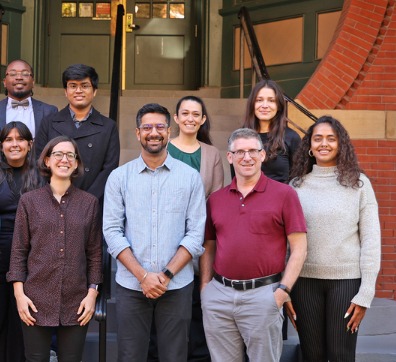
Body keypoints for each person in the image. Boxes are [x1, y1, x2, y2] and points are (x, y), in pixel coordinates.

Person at [104, 103, 206, 362]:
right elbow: (112, 232)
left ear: (169, 132)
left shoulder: (190, 177)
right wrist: (143, 276)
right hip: (131, 285)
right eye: (147, 127)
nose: (154, 132)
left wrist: (166, 275)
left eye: (160, 126)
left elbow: (195, 234)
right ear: (138, 133)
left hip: (177, 285)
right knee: (130, 356)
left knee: (175, 356)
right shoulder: (119, 178)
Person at [200, 128, 307, 362]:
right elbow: (208, 246)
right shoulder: (215, 200)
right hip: (219, 296)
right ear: (230, 157)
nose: (246, 157)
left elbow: (299, 248)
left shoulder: (285, 194)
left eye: (252, 151)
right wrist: (205, 287)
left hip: (263, 295)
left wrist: (282, 292)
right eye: (239, 152)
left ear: (262, 155)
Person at [288, 116, 381, 362]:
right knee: (312, 355)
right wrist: (285, 287)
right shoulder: (295, 186)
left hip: (346, 282)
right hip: (304, 282)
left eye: (331, 138)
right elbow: (284, 242)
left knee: (341, 355)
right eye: (317, 138)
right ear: (309, 145)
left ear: (341, 144)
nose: (324, 144)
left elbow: (371, 241)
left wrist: (366, 294)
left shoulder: (359, 185)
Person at [7, 135, 102, 362]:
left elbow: (95, 252)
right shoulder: (29, 201)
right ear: (47, 161)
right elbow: (19, 250)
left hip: (77, 300)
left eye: (71, 155)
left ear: (77, 163)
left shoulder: (89, 203)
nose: (64, 159)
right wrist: (19, 295)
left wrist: (92, 294)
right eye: (58, 154)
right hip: (35, 299)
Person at [150, 96, 223, 362]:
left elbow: (214, 200)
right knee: (160, 304)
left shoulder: (212, 154)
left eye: (196, 114)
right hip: (162, 236)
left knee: (193, 304)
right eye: (185, 113)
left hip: (198, 236)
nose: (190, 118)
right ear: (176, 119)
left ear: (203, 119)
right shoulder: (162, 146)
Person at [0, 122, 45, 362]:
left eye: (21, 139)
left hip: (30, 261)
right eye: (9, 139)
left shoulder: (42, 177)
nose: (15, 144)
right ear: (1, 145)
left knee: (22, 321)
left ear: (30, 144)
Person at [34, 63, 120, 203]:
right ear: (66, 91)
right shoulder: (49, 122)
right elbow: (39, 162)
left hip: (92, 205)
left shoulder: (108, 127)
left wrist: (87, 201)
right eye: (73, 86)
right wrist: (53, 196)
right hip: (52, 202)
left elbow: (109, 169)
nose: (78, 90)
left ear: (94, 91)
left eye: (85, 86)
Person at [0, 59, 58, 155]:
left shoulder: (49, 111)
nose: (19, 77)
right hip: (0, 169)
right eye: (13, 74)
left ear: (33, 82)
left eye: (25, 74)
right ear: (4, 82)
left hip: (38, 169)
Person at [234, 79, 301, 184]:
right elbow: (235, 180)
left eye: (271, 100)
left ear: (278, 106)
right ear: (252, 104)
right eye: (259, 100)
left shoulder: (291, 137)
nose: (265, 105)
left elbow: (298, 180)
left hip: (281, 199)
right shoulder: (239, 138)